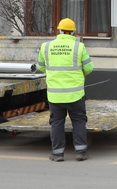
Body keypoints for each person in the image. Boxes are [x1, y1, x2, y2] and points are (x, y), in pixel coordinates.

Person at [37, 18, 94, 162]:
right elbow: (89, 68)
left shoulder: (46, 46)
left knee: (56, 123)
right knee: (79, 121)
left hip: (55, 95)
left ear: (59, 30)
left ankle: (57, 154)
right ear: (73, 32)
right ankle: (81, 152)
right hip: (75, 94)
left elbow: (40, 67)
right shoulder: (79, 47)